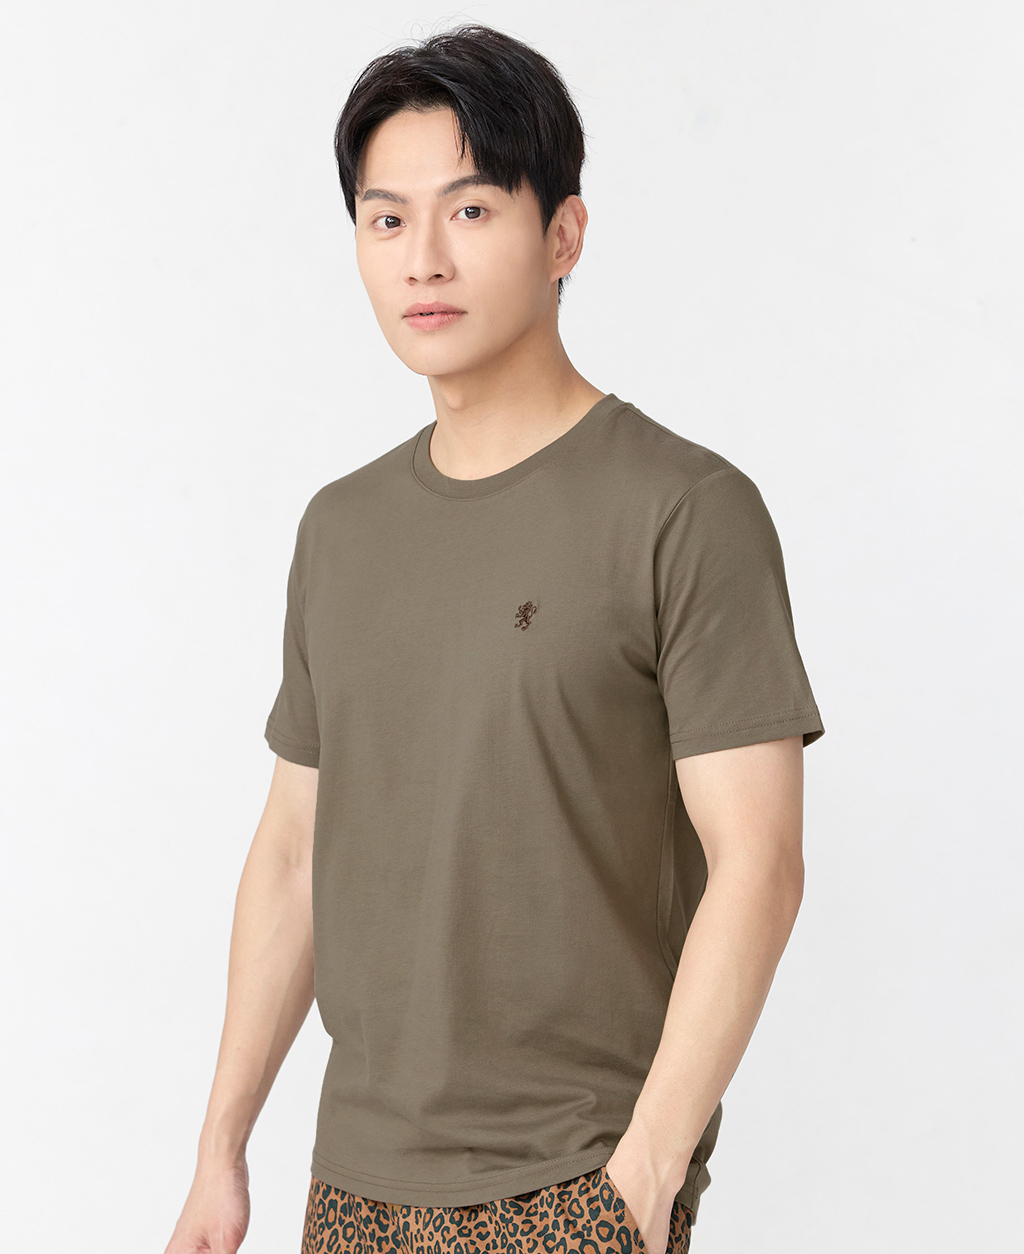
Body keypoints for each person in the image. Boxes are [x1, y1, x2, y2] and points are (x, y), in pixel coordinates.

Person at [164, 22, 825, 1254]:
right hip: (352, 1182)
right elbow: (294, 853)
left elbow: (760, 862)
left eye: (469, 211)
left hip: (573, 1175)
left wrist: (642, 1178)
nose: (423, 258)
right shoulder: (341, 529)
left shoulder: (684, 509)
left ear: (562, 235)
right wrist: (220, 1150)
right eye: (385, 219)